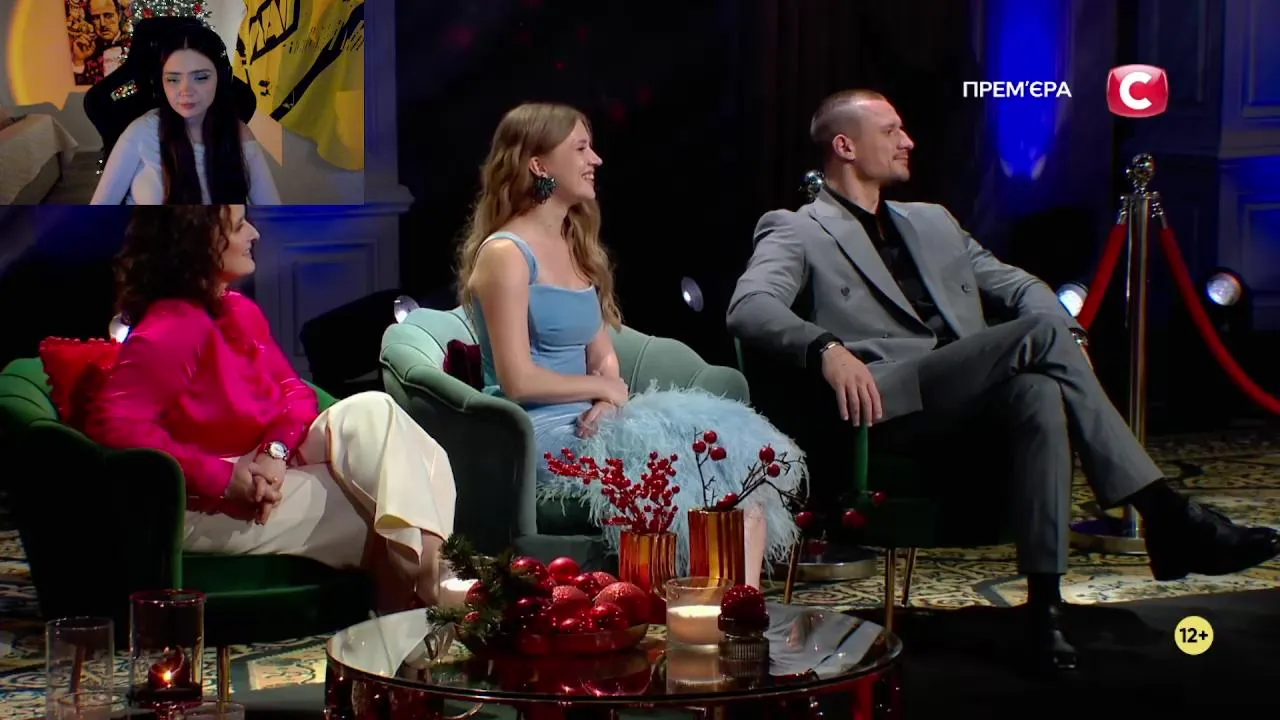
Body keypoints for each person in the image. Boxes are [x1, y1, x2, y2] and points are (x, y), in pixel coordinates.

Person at [726, 89, 1280, 670]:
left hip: (968, 395)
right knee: (1038, 336)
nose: (907, 141)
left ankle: (1044, 611)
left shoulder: (933, 221)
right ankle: (1166, 513)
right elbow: (749, 307)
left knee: (1038, 391)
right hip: (889, 403)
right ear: (845, 145)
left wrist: (1071, 338)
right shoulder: (797, 228)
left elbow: (1020, 287)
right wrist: (826, 347)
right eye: (890, 131)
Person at [456, 103, 805, 582]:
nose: (595, 159)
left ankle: (736, 605)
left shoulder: (574, 244)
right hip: (537, 433)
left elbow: (602, 354)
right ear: (538, 164)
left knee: (733, 460)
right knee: (676, 471)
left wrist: (608, 395)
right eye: (581, 148)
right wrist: (602, 390)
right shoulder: (505, 255)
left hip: (596, 417)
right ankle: (686, 598)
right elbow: (518, 380)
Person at [84, 205, 454, 612]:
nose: (255, 233)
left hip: (270, 467)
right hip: (205, 502)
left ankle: (425, 593)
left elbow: (295, 391)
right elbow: (113, 425)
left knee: (375, 411)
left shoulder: (238, 309)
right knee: (399, 494)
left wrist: (273, 452)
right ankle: (433, 595)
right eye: (239, 226)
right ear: (197, 242)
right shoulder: (171, 327)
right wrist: (225, 477)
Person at [90, 22, 280, 205]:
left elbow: (273, 211)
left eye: (201, 78)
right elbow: (99, 210)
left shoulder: (239, 134)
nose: (186, 91)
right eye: (173, 79)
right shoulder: (140, 132)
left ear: (221, 79)